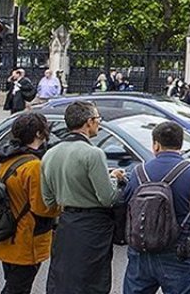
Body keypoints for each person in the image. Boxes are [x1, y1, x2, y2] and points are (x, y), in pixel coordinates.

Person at [41, 101, 127, 293]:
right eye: (97, 119)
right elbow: (107, 198)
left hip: (66, 224)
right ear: (89, 122)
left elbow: (48, 201)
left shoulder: (50, 154)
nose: (99, 123)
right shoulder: (93, 153)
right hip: (92, 228)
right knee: (91, 282)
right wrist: (113, 179)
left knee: (63, 280)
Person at [121, 121, 190, 294]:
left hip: (141, 250)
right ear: (181, 144)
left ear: (156, 145)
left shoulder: (138, 172)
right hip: (179, 253)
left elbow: (125, 203)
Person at [0, 111, 62, 294]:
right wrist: (61, 206)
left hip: (5, 233)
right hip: (25, 240)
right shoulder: (33, 166)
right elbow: (42, 208)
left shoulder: (5, 158)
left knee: (13, 284)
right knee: (18, 288)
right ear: (38, 133)